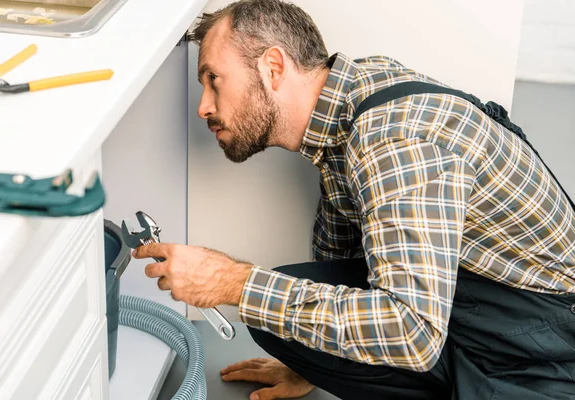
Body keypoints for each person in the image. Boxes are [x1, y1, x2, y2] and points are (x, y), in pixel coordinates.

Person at [132, 0, 575, 399]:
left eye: (213, 80)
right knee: (280, 324)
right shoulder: (347, 100)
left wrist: (232, 282)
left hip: (541, 339)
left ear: (273, 67)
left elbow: (413, 332)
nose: (203, 106)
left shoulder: (392, 139)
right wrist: (313, 368)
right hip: (469, 297)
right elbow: (340, 253)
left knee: (263, 297)